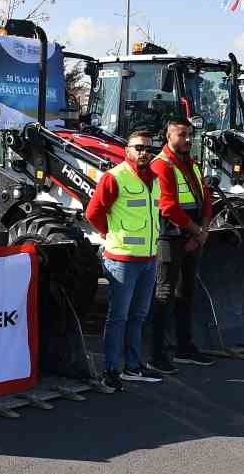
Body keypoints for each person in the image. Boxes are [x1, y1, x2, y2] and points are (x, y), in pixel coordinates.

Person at [84, 130, 163, 390]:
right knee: (118, 317)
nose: (144, 152)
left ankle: (132, 366)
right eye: (138, 147)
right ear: (126, 149)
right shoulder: (114, 177)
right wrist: (110, 235)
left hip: (149, 259)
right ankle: (111, 369)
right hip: (122, 260)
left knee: (139, 315)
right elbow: (93, 213)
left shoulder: (154, 179)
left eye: (148, 148)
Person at [148, 119, 216, 374]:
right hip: (170, 239)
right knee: (164, 294)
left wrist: (204, 229)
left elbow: (205, 198)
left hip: (191, 237)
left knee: (186, 292)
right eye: (182, 135)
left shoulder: (193, 164)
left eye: (190, 135)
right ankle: (157, 354)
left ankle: (184, 347)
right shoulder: (161, 166)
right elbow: (168, 206)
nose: (187, 139)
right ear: (168, 136)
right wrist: (197, 231)